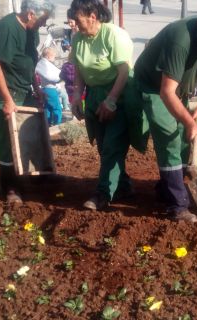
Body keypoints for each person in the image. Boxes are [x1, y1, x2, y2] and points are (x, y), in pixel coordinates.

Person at [134, 5, 197, 222]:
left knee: (183, 140)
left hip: (177, 88)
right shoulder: (180, 40)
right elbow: (166, 91)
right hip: (153, 87)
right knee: (170, 135)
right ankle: (177, 206)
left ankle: (166, 188)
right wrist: (191, 123)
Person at [69, 0, 148, 211]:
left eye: (78, 19)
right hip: (95, 95)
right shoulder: (78, 38)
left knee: (113, 145)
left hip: (120, 93)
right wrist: (77, 96)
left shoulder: (114, 34)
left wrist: (111, 100)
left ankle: (103, 194)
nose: (75, 24)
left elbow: (123, 71)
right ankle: (123, 185)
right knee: (104, 146)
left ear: (92, 16)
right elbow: (79, 70)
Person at [0, 0, 53, 204]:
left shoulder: (31, 29)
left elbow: (28, 61)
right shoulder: (7, 29)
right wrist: (7, 100)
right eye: (43, 19)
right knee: (7, 139)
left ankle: (35, 174)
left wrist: (36, 89)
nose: (43, 23)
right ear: (30, 14)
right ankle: (11, 187)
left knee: (29, 132)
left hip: (20, 88)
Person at [36, 47, 64, 126]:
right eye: (53, 57)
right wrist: (61, 77)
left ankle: (46, 124)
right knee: (57, 108)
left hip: (45, 88)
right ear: (48, 56)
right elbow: (51, 77)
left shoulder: (42, 64)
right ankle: (57, 124)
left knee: (47, 108)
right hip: (50, 89)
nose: (54, 58)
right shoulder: (44, 65)